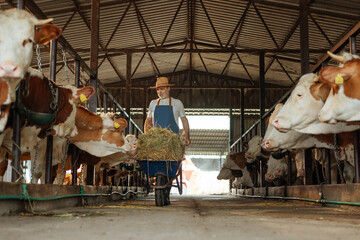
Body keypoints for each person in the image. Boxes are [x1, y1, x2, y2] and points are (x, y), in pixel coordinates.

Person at [144, 77, 191, 146]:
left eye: (162, 89)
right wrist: (146, 136)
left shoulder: (177, 103)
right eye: (158, 89)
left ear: (168, 88)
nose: (159, 92)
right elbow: (148, 120)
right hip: (157, 141)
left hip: (173, 141)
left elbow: (184, 120)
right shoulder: (153, 103)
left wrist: (187, 135)